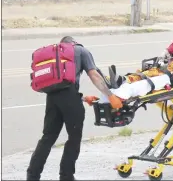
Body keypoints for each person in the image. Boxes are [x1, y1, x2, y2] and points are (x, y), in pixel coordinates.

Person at [26, 36, 123, 181]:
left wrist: (83, 98)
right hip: (69, 96)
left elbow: (61, 89)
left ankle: (32, 175)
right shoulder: (81, 50)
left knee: (48, 137)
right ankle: (66, 176)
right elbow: (94, 75)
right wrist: (110, 96)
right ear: (74, 42)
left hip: (52, 97)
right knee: (74, 137)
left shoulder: (57, 56)